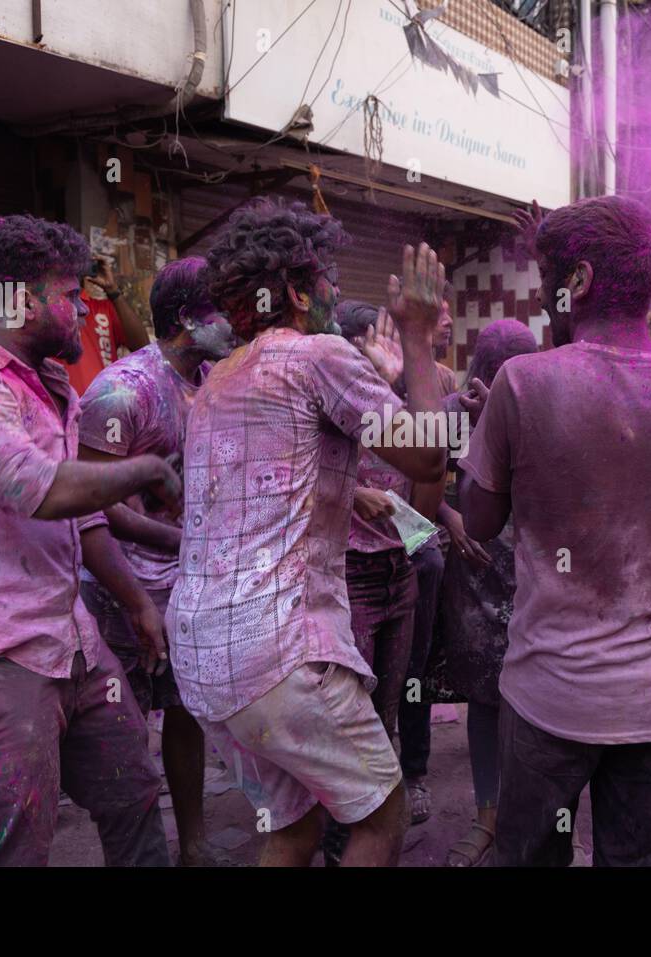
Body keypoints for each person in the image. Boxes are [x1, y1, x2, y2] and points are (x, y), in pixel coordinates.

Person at [0, 214, 182, 866]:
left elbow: (80, 516)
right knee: (16, 846)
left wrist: (137, 601)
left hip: (70, 644)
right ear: (23, 300)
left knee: (134, 793)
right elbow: (42, 487)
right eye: (72, 294)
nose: (83, 309)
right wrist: (149, 469)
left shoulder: (48, 384)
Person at [165, 199, 447, 867]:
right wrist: (417, 338)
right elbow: (430, 454)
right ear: (295, 290)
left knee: (292, 826)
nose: (336, 291)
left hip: (203, 657)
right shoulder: (316, 353)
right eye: (327, 278)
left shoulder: (218, 381)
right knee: (380, 810)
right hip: (280, 649)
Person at [459, 195, 651, 867]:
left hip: (553, 691)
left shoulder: (520, 385)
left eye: (551, 274)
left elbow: (478, 520)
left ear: (575, 282)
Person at [76, 256, 236, 866]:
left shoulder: (213, 383)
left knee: (187, 713)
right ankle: (138, 851)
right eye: (224, 310)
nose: (238, 323)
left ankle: (193, 844)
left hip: (184, 585)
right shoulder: (120, 391)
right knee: (124, 727)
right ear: (188, 319)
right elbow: (100, 509)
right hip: (120, 586)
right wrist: (189, 543)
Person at [432, 318, 537, 867]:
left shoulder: (538, 410)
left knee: (531, 698)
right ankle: (487, 817)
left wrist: (501, 422)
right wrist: (448, 518)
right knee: (483, 695)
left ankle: (527, 819)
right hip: (476, 571)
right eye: (493, 367)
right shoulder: (451, 412)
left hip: (534, 571)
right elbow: (419, 485)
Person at [398, 280, 460, 827]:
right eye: (437, 314)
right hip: (369, 550)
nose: (447, 322)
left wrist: (437, 520)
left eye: (447, 314)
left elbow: (435, 470)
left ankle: (413, 772)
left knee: (414, 669)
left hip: (416, 544)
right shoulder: (384, 374)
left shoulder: (442, 380)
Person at [61, 255, 152, 395]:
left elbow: (142, 347)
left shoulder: (103, 309)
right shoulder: (45, 306)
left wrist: (113, 291)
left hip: (103, 408)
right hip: (57, 411)